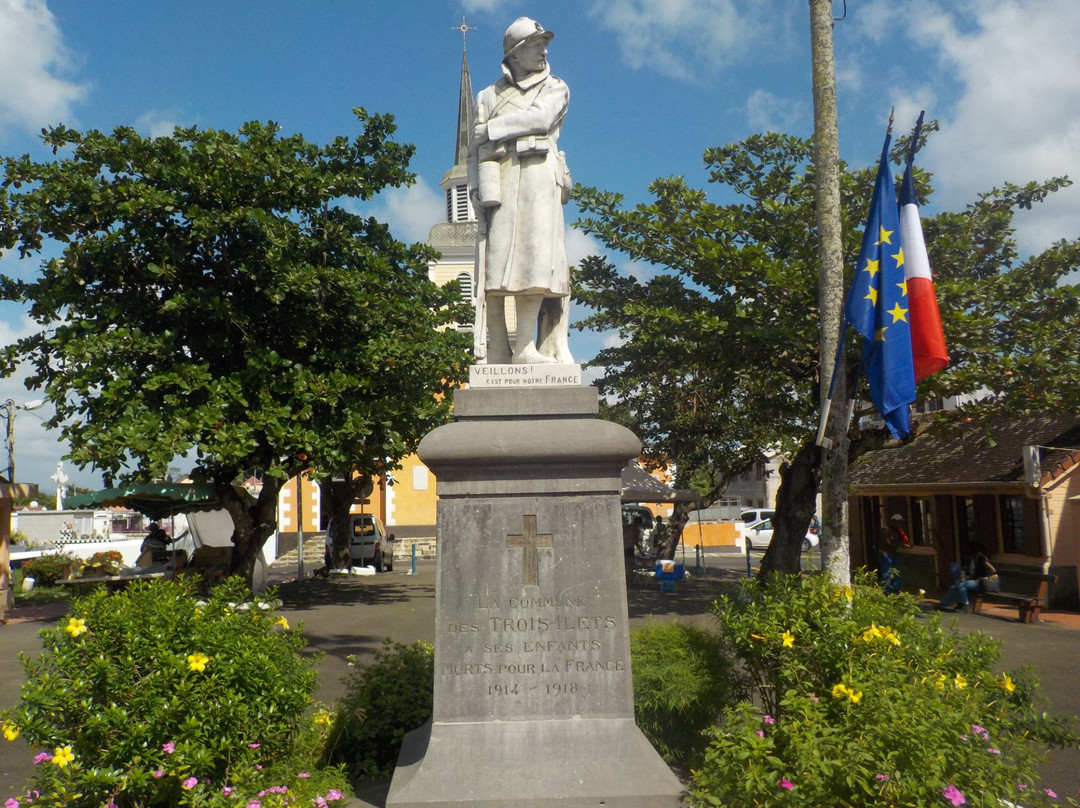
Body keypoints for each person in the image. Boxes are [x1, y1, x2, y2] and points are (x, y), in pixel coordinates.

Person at [468, 17, 573, 365]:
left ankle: (525, 347)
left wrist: (492, 129)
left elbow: (541, 119)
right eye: (537, 44)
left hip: (538, 179)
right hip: (499, 181)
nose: (544, 51)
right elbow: (473, 151)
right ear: (515, 53)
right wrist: (475, 188)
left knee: (535, 260)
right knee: (495, 267)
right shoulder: (487, 96)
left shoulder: (554, 87)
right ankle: (498, 348)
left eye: (545, 44)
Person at [939, 544, 998, 611]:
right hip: (973, 581)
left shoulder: (981, 558)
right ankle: (944, 604)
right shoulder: (973, 559)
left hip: (981, 583)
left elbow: (993, 570)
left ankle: (966, 604)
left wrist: (982, 579)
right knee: (954, 587)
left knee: (960, 585)